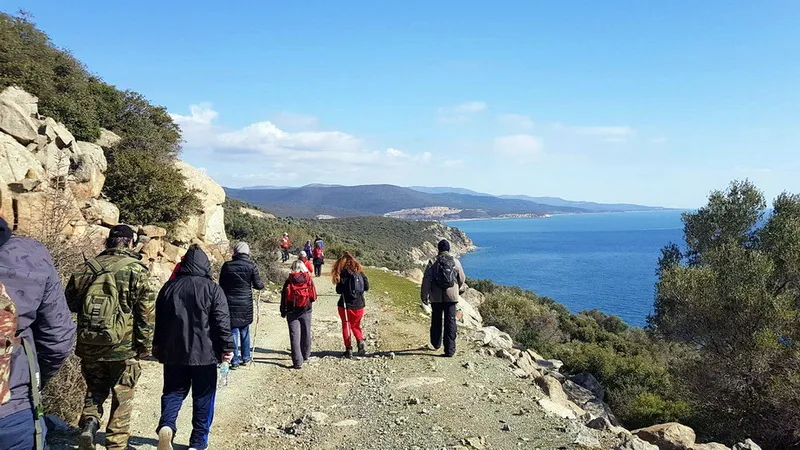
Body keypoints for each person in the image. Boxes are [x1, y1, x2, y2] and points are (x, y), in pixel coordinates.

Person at [65, 224, 156, 450]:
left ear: (108, 241)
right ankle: (116, 443)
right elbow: (146, 312)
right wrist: (145, 345)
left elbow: (70, 303)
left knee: (95, 388)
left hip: (89, 343)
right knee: (122, 395)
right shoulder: (137, 270)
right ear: (130, 243)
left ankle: (89, 424)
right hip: (122, 347)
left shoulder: (87, 268)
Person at [0, 195, 75, 450]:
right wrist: (34, 380)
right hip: (12, 409)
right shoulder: (30, 255)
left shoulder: (94, 268)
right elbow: (59, 339)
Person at [153, 245, 233, 450]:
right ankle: (197, 443)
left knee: (173, 391)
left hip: (173, 352)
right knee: (203, 397)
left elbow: (159, 321)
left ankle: (167, 425)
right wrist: (227, 347)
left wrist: (157, 347)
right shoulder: (213, 289)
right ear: (205, 265)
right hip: (205, 354)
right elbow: (222, 321)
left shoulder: (169, 287)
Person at [218, 242, 265, 370]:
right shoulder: (251, 266)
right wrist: (262, 285)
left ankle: (235, 360)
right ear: (247, 252)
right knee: (244, 330)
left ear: (235, 252)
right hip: (245, 303)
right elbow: (258, 285)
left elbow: (221, 284)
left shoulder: (227, 266)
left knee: (232, 331)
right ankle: (246, 357)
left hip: (230, 303)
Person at [420, 239, 466, 357]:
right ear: (449, 249)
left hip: (436, 297)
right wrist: (457, 288)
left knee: (436, 320)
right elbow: (462, 278)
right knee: (450, 322)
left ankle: (436, 344)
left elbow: (426, 280)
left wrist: (424, 296)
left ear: (438, 249)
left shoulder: (432, 262)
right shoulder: (455, 261)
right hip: (451, 297)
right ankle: (449, 350)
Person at [280, 261, 317, 369]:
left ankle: (297, 362)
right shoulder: (308, 279)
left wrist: (283, 311)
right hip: (306, 309)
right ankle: (306, 355)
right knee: (306, 331)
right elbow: (313, 296)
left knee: (294, 335)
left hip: (292, 311)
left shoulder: (289, 281)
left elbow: (284, 297)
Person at [332, 252, 369, 358]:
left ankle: (348, 349)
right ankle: (360, 342)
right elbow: (366, 287)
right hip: (359, 305)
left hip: (345, 305)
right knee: (356, 325)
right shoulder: (360, 272)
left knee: (346, 325)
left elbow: (339, 291)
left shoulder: (342, 274)